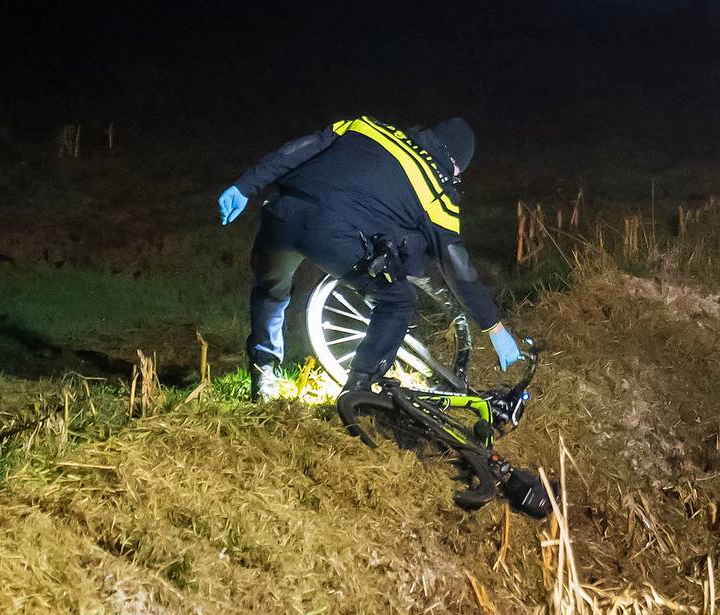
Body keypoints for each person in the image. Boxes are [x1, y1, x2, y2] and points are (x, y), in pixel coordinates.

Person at [217, 116, 523, 401]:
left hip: (281, 213)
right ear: (455, 163)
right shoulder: (438, 191)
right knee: (397, 300)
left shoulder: (364, 126)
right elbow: (458, 267)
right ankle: (358, 390)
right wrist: (494, 327)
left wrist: (244, 187)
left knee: (270, 291)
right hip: (332, 236)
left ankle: (264, 374)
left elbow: (296, 150)